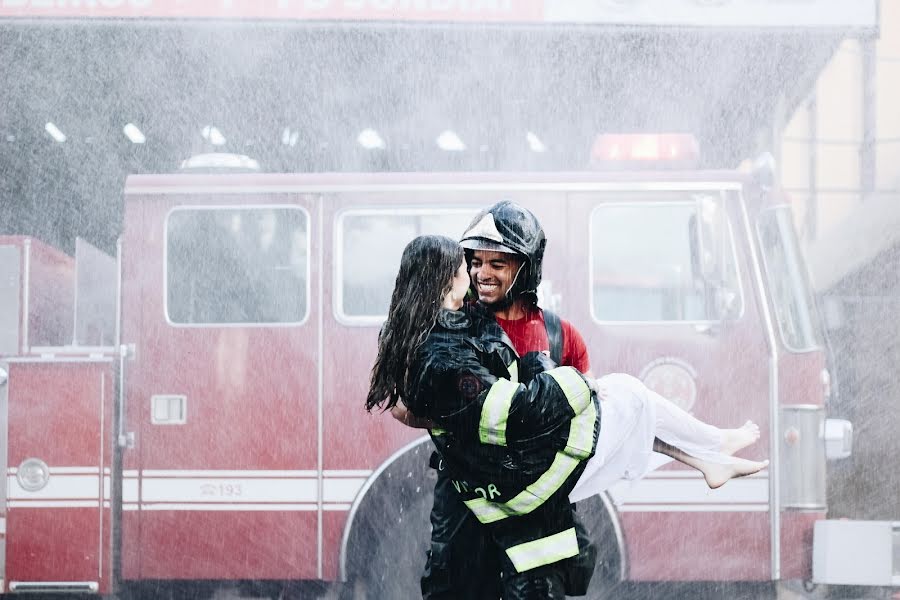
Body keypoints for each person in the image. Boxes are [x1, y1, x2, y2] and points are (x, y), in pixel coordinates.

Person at [366, 235, 768, 600]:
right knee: (627, 397)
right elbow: (511, 412)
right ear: (443, 281)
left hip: (509, 471)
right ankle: (710, 450)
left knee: (627, 407)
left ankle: (708, 454)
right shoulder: (444, 353)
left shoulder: (438, 334)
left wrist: (538, 373)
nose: (473, 275)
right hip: (526, 466)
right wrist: (570, 382)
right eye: (464, 268)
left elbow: (431, 404)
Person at [414, 201, 598, 599]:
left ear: (525, 267)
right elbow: (408, 404)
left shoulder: (560, 336)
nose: (482, 273)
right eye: (475, 262)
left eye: (497, 264)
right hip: (466, 500)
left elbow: (587, 414)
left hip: (537, 510)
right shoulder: (450, 328)